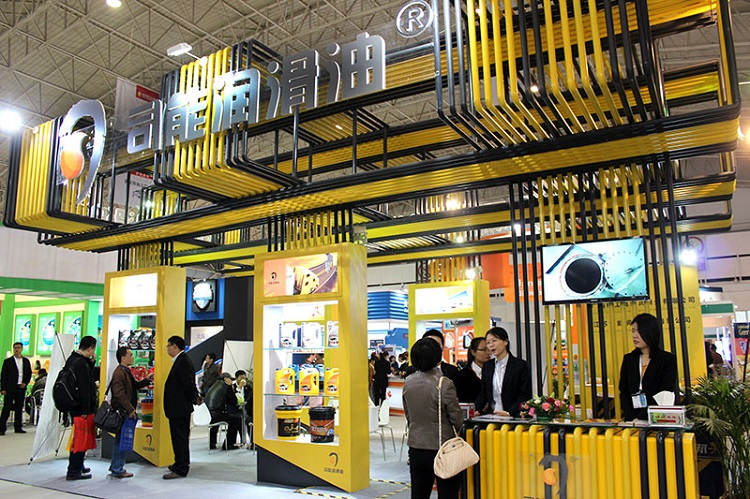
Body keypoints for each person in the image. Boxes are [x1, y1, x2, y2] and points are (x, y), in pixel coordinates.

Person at [403, 338, 464, 499]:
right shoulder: (444, 383)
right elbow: (457, 418)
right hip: (442, 447)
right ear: (437, 358)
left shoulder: (408, 382)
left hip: (416, 446)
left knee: (419, 494)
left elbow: (409, 415)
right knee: (448, 493)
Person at [618, 313, 678, 421]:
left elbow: (665, 391)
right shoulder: (629, 359)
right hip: (632, 420)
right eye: (633, 331)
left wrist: (644, 416)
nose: (634, 335)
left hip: (656, 418)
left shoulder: (667, 360)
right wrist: (632, 417)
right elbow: (624, 391)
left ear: (650, 332)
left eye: (639, 331)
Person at [109, 347, 153, 478]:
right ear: (123, 357)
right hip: (123, 412)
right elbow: (119, 393)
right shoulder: (119, 373)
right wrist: (130, 409)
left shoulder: (125, 371)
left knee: (120, 440)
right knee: (121, 441)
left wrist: (146, 380)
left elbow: (134, 386)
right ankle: (117, 468)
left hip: (125, 410)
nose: (132, 357)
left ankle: (116, 466)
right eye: (130, 355)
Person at [163, 336, 201, 479]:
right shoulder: (180, 360)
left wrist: (194, 398)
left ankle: (181, 468)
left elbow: (188, 383)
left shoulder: (183, 361)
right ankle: (179, 463)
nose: (167, 348)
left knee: (180, 438)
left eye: (168, 345)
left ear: (175, 346)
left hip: (180, 408)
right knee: (178, 438)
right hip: (178, 408)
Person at [475, 327, 531, 417]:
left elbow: (525, 395)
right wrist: (477, 409)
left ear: (505, 342)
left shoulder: (520, 365)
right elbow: (484, 393)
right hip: (493, 416)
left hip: (514, 416)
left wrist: (510, 412)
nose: (491, 345)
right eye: (488, 343)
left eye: (494, 341)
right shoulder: (487, 366)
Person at [65, 335, 98, 480]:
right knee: (80, 440)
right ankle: (74, 471)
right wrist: (86, 410)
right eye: (93, 349)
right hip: (81, 409)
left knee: (78, 439)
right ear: (90, 348)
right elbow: (85, 388)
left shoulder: (73, 359)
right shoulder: (81, 364)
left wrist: (92, 362)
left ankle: (78, 466)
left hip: (74, 406)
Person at [0, 342, 32, 435]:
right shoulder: (8, 361)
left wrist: (25, 383)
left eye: (18, 348)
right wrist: (3, 388)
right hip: (10, 388)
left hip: (21, 387)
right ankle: (1, 428)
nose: (17, 349)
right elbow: (3, 376)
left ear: (22, 349)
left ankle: (18, 427)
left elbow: (29, 373)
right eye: (15, 348)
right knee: (7, 407)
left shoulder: (26, 361)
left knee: (19, 407)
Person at [205, 372, 242, 450]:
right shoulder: (226, 386)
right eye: (230, 379)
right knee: (236, 419)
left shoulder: (214, 385)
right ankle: (229, 444)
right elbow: (233, 400)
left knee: (215, 421)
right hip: (216, 414)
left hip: (208, 414)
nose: (232, 381)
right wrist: (231, 388)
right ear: (225, 379)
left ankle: (212, 443)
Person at [454, 337, 489, 404]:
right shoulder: (462, 376)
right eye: (484, 350)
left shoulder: (495, 372)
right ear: (473, 352)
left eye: (489, 349)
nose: (488, 352)